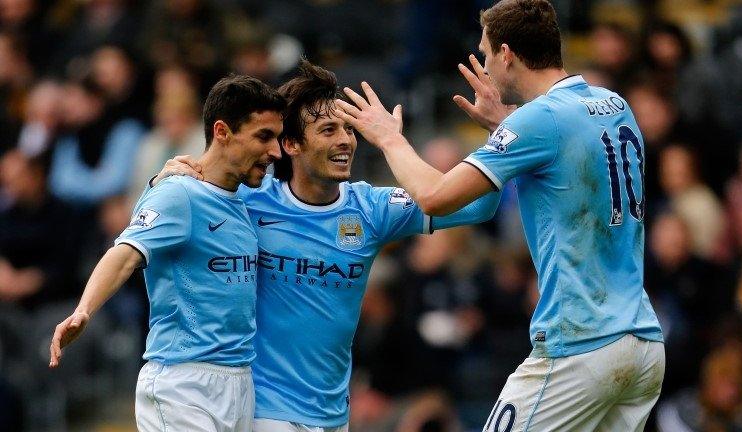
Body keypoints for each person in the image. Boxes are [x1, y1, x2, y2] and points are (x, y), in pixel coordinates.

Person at [335, 0, 665, 430]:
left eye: (486, 53)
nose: (485, 66)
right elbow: (562, 167)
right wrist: (504, 125)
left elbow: (435, 197)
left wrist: (389, 139)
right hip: (642, 342)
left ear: (506, 53)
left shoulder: (538, 120)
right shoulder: (612, 102)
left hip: (580, 344)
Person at [153, 60, 501, 432]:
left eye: (350, 129)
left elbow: (479, 205)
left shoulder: (371, 209)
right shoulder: (248, 200)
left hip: (334, 415)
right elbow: (170, 214)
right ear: (291, 144)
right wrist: (162, 180)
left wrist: (398, 139)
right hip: (263, 410)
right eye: (328, 129)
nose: (345, 141)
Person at [49, 75, 285, 432]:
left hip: (240, 380)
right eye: (263, 136)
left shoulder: (251, 196)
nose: (275, 151)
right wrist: (84, 309)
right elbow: (124, 253)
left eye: (278, 138)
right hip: (183, 382)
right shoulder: (179, 194)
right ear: (222, 131)